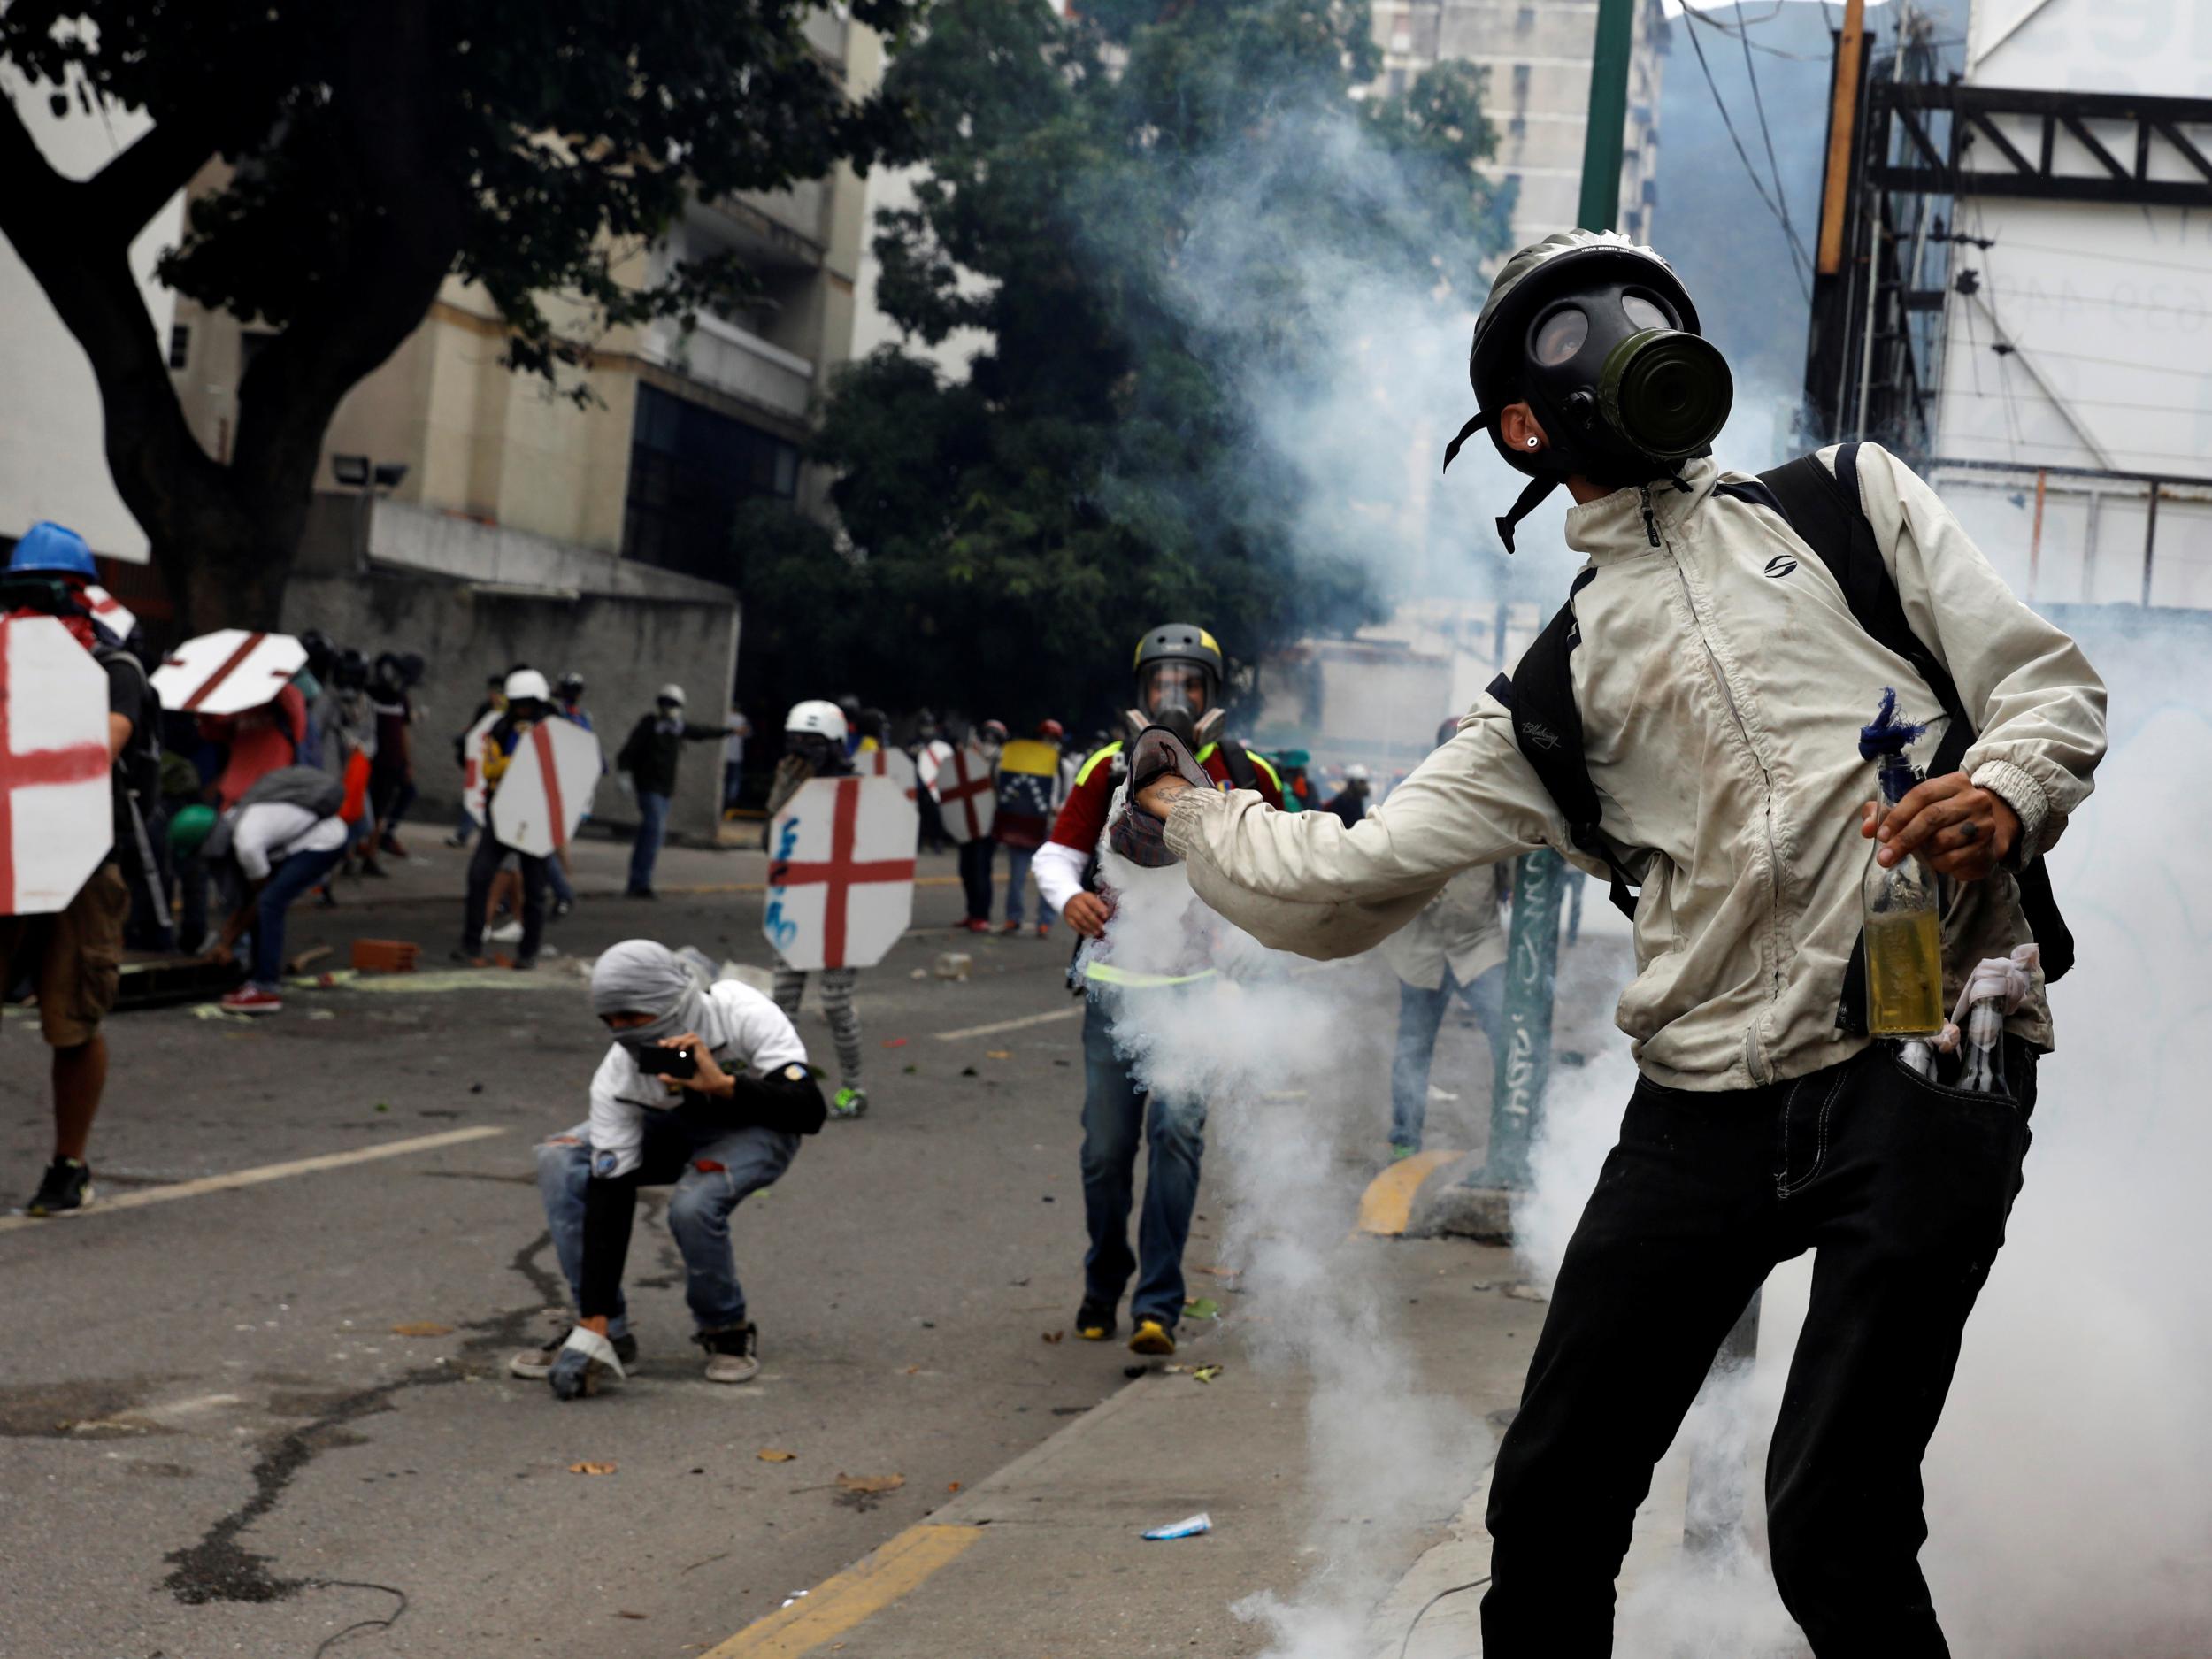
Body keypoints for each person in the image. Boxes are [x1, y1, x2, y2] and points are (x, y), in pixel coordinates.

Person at [1127, 230, 2108, 1655]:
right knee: (1551, 1503)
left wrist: (2006, 795)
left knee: (1831, 1511)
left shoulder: (1846, 504)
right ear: (1527, 422)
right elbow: (1341, 880)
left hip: (1926, 1055)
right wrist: (1184, 808)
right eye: (1581, 328)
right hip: (1702, 1105)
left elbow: (2049, 689)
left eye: (1646, 308)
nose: (1631, 335)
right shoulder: (1547, 693)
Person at [1032, 623, 1284, 1356]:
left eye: (1191, 683)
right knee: (1106, 1154)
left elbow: (1283, 865)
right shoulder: (1108, 767)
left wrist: (1252, 942)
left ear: (1213, 693)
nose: (1176, 696)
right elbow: (1057, 854)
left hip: (1199, 993)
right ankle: (1103, 1277)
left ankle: (1159, 1305)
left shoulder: (1246, 772)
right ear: (1141, 692)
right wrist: (1067, 900)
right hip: (1113, 990)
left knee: (1176, 1139)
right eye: (1162, 683)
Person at [518, 941, 826, 1398]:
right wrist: (594, 1322)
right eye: (611, 1020)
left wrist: (723, 1085)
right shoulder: (620, 1074)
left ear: (671, 1001)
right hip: (671, 1130)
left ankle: (725, 1329)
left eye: (634, 1016)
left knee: (693, 1203)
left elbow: (809, 1112)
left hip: (759, 1126)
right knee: (561, 1158)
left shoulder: (738, 1009)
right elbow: (611, 1192)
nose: (622, 1031)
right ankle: (609, 1335)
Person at [0, 523, 157, 1214]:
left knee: (73, 1018)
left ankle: (70, 1164)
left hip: (84, 860)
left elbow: (104, 740)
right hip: (8, 848)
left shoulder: (114, 668)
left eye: (47, 595)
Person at [764, 701, 872, 1120]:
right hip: (796, 908)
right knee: (782, 1003)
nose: (802, 751)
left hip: (846, 912)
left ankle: (854, 1087)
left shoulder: (860, 789)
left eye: (813, 743)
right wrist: (784, 797)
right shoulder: (789, 781)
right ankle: (782, 1085)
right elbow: (770, 847)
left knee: (836, 1001)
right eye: (797, 742)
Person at [195, 766, 350, 1015]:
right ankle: (256, 975)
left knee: (270, 902)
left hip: (323, 841)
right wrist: (226, 940)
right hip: (296, 843)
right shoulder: (231, 823)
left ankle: (266, 987)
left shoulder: (246, 843)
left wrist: (228, 940)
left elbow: (258, 900)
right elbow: (247, 900)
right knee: (264, 902)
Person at [1382, 860, 1508, 1160]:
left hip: (1478, 946)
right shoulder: (1405, 816)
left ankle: (1511, 1139)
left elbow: (1511, 872)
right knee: (1412, 1047)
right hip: (1421, 949)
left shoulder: (1491, 817)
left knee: (1510, 1037)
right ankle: (1405, 1137)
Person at [455, 668, 558, 970]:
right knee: (479, 876)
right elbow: (490, 769)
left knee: (536, 889)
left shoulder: (554, 731)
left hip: (535, 817)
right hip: (502, 813)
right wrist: (520, 758)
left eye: (529, 704)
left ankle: (528, 952)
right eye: (519, 704)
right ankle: (471, 943)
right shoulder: (500, 730)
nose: (523, 710)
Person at [615, 683, 724, 899]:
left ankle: (638, 882)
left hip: (665, 790)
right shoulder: (649, 724)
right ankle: (640, 882)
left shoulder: (677, 728)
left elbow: (702, 731)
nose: (667, 707)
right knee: (654, 832)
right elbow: (628, 751)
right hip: (649, 787)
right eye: (664, 702)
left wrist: (730, 731)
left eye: (672, 703)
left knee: (651, 836)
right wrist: (624, 774)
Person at [994, 719, 1065, 937]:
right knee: (1016, 876)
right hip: (1022, 824)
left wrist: (1057, 809)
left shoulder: (1063, 765)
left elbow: (1068, 793)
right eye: (1046, 738)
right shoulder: (1017, 759)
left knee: (1047, 876)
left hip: (1048, 827)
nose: (1048, 743)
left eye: (1052, 739)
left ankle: (1045, 921)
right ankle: (1013, 918)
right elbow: (1001, 783)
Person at [543, 672, 595, 919]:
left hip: (565, 786)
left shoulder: (580, 716)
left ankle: (562, 890)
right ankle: (553, 889)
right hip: (550, 781)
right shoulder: (552, 710)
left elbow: (587, 748)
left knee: (552, 844)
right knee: (551, 845)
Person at [952, 717, 1005, 933]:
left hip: (988, 822)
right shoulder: (969, 756)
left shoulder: (1002, 761)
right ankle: (971, 912)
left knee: (980, 868)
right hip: (968, 821)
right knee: (965, 868)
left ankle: (981, 915)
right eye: (987, 735)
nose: (989, 740)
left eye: (994, 736)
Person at [445, 672, 507, 848]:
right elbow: (475, 729)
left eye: (498, 691)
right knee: (475, 797)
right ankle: (464, 834)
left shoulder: (507, 713)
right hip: (483, 762)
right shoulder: (485, 708)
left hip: (498, 765)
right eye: (492, 691)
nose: (493, 695)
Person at [367, 651, 417, 861]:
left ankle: (371, 853)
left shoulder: (400, 700)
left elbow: (403, 733)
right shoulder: (368, 694)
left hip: (390, 763)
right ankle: (356, 853)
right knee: (363, 809)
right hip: (368, 761)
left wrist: (406, 763)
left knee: (379, 811)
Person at [1321, 762, 1371, 826]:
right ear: (1352, 783)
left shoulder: (1355, 799)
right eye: (1361, 782)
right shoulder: (1344, 801)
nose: (1364, 785)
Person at [722, 704, 750, 818]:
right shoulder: (742, 719)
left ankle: (724, 802)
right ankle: (730, 802)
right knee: (733, 781)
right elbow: (748, 733)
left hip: (724, 755)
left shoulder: (725, 717)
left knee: (724, 780)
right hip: (736, 755)